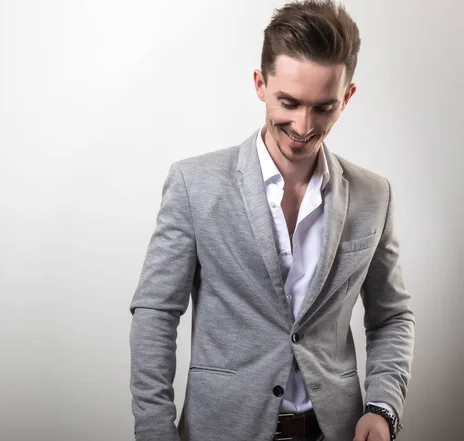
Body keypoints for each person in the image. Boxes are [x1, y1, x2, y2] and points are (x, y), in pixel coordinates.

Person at [129, 1, 415, 440]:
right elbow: (156, 313)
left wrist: (383, 407)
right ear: (261, 85)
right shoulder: (194, 183)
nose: (303, 125)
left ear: (348, 97)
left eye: (324, 107)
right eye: (289, 102)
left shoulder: (375, 195)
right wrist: (154, 432)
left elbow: (392, 315)